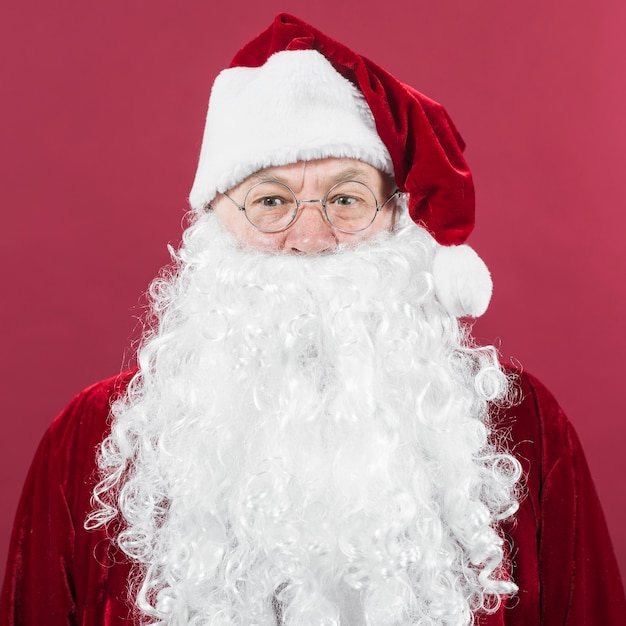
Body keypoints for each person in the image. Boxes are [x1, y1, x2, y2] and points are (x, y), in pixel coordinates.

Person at [1, 12, 624, 626]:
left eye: (346, 199)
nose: (310, 235)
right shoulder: (87, 441)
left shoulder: (524, 426)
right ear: (213, 222)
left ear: (396, 220)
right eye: (271, 201)